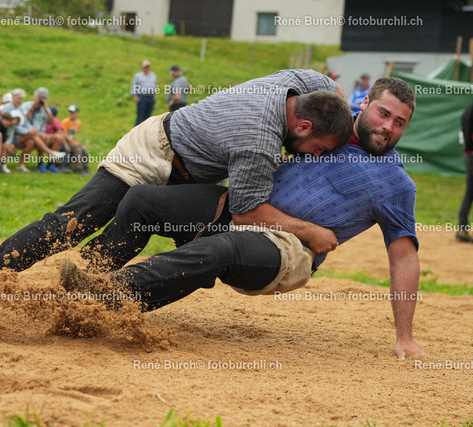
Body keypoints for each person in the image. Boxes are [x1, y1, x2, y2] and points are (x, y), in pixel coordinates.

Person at [61, 77, 425, 360]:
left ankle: (105, 296)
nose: (388, 127)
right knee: (143, 201)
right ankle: (80, 278)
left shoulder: (396, 184)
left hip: (287, 248)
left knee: (219, 249)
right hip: (243, 207)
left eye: (400, 123)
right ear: (365, 103)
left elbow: (404, 258)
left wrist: (405, 337)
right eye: (384, 113)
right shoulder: (328, 125)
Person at [0, 69, 353, 272]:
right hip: (151, 151)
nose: (314, 156)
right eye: (318, 149)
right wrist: (311, 231)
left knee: (135, 228)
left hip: (189, 167)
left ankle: (79, 284)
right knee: (74, 223)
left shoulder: (300, 84)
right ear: (303, 125)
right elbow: (247, 212)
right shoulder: (258, 140)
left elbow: (332, 88)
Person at [19, 87, 64, 173]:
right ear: (35, 97)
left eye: (44, 98)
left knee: (58, 138)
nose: (41, 100)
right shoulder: (26, 105)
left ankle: (51, 164)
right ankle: (40, 164)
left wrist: (46, 109)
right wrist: (32, 108)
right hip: (27, 134)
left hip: (41, 134)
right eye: (40, 98)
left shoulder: (45, 109)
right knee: (40, 136)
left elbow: (52, 123)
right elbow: (23, 121)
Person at [457, 101, 473, 242]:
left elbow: (462, 136)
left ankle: (462, 227)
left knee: (469, 193)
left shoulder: (467, 110)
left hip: (468, 155)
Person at [61, 104, 90, 174]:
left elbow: (73, 135)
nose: (71, 114)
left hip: (72, 141)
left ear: (77, 113)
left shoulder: (78, 123)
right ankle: (79, 169)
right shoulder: (65, 121)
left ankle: (85, 168)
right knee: (78, 149)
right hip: (65, 142)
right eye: (70, 112)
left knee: (84, 149)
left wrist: (75, 142)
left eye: (73, 112)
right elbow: (65, 135)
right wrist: (74, 143)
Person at [131, 59, 157, 125]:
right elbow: (134, 86)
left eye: (147, 66)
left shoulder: (153, 75)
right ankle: (137, 129)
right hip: (142, 97)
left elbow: (154, 85)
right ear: (142, 67)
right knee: (141, 115)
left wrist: (154, 95)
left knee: (148, 116)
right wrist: (135, 96)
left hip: (151, 97)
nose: (146, 68)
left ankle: (146, 130)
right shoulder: (138, 76)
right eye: (145, 67)